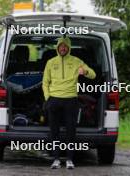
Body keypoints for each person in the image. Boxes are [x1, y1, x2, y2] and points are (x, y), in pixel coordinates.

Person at [42, 37, 96, 169]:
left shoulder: (77, 61)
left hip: (71, 100)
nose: (63, 48)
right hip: (54, 99)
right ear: (57, 47)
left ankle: (69, 160)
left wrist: (85, 71)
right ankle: (55, 159)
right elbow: (45, 82)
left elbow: (93, 75)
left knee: (71, 131)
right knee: (54, 131)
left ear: (69, 48)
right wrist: (48, 98)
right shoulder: (50, 62)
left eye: (65, 46)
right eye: (61, 46)